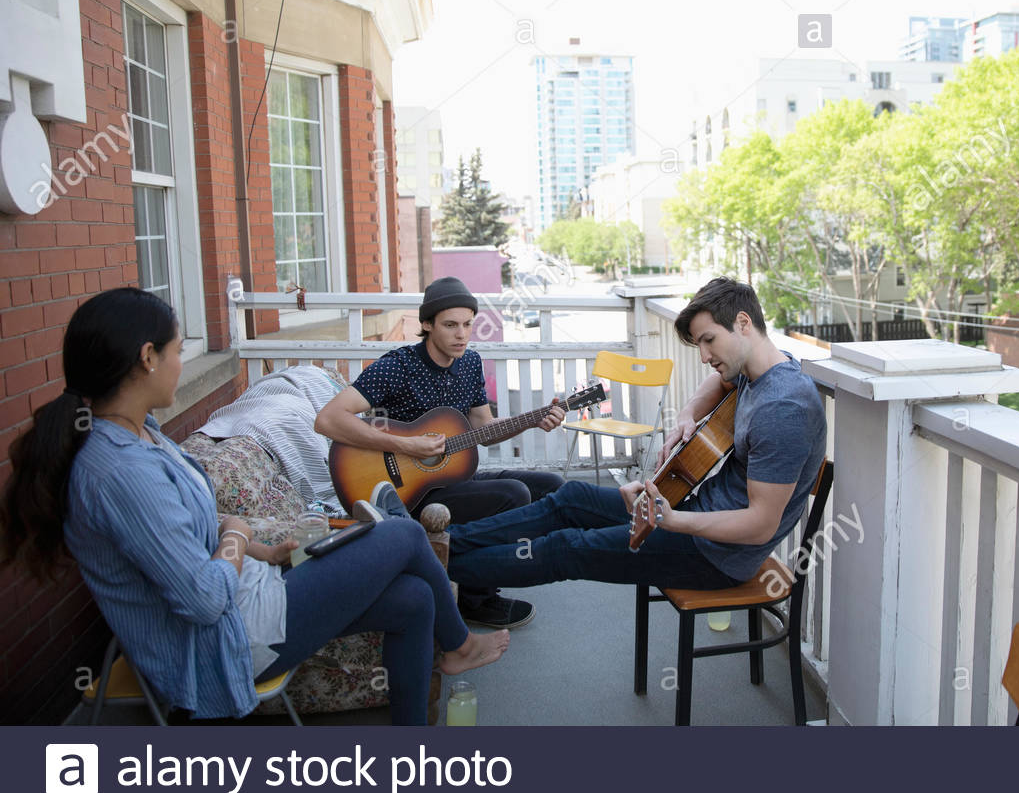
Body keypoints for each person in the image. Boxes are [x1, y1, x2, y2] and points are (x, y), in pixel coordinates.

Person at [0, 288, 507, 725]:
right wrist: (238, 536)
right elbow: (200, 600)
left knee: (415, 599)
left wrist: (259, 550)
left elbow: (178, 524)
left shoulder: (143, 435)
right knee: (402, 537)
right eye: (180, 349)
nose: (183, 360)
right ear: (148, 357)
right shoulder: (118, 471)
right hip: (222, 643)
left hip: (248, 594)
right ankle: (457, 644)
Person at [445, 277, 827, 592]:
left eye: (709, 340)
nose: (705, 356)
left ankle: (438, 570)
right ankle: (445, 544)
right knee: (569, 499)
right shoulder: (758, 368)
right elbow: (720, 382)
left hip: (716, 556)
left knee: (565, 549)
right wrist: (687, 415)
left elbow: (761, 524)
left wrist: (672, 520)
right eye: (700, 345)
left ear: (744, 323)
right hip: (692, 511)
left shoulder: (784, 408)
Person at [315, 276, 566, 630]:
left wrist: (532, 420)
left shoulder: (470, 364)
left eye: (467, 325)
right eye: (450, 325)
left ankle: (489, 563)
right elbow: (327, 420)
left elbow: (486, 430)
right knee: (514, 495)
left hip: (449, 480)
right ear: (427, 324)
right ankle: (476, 599)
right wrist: (407, 445)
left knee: (550, 485)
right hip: (400, 492)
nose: (462, 334)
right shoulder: (398, 366)